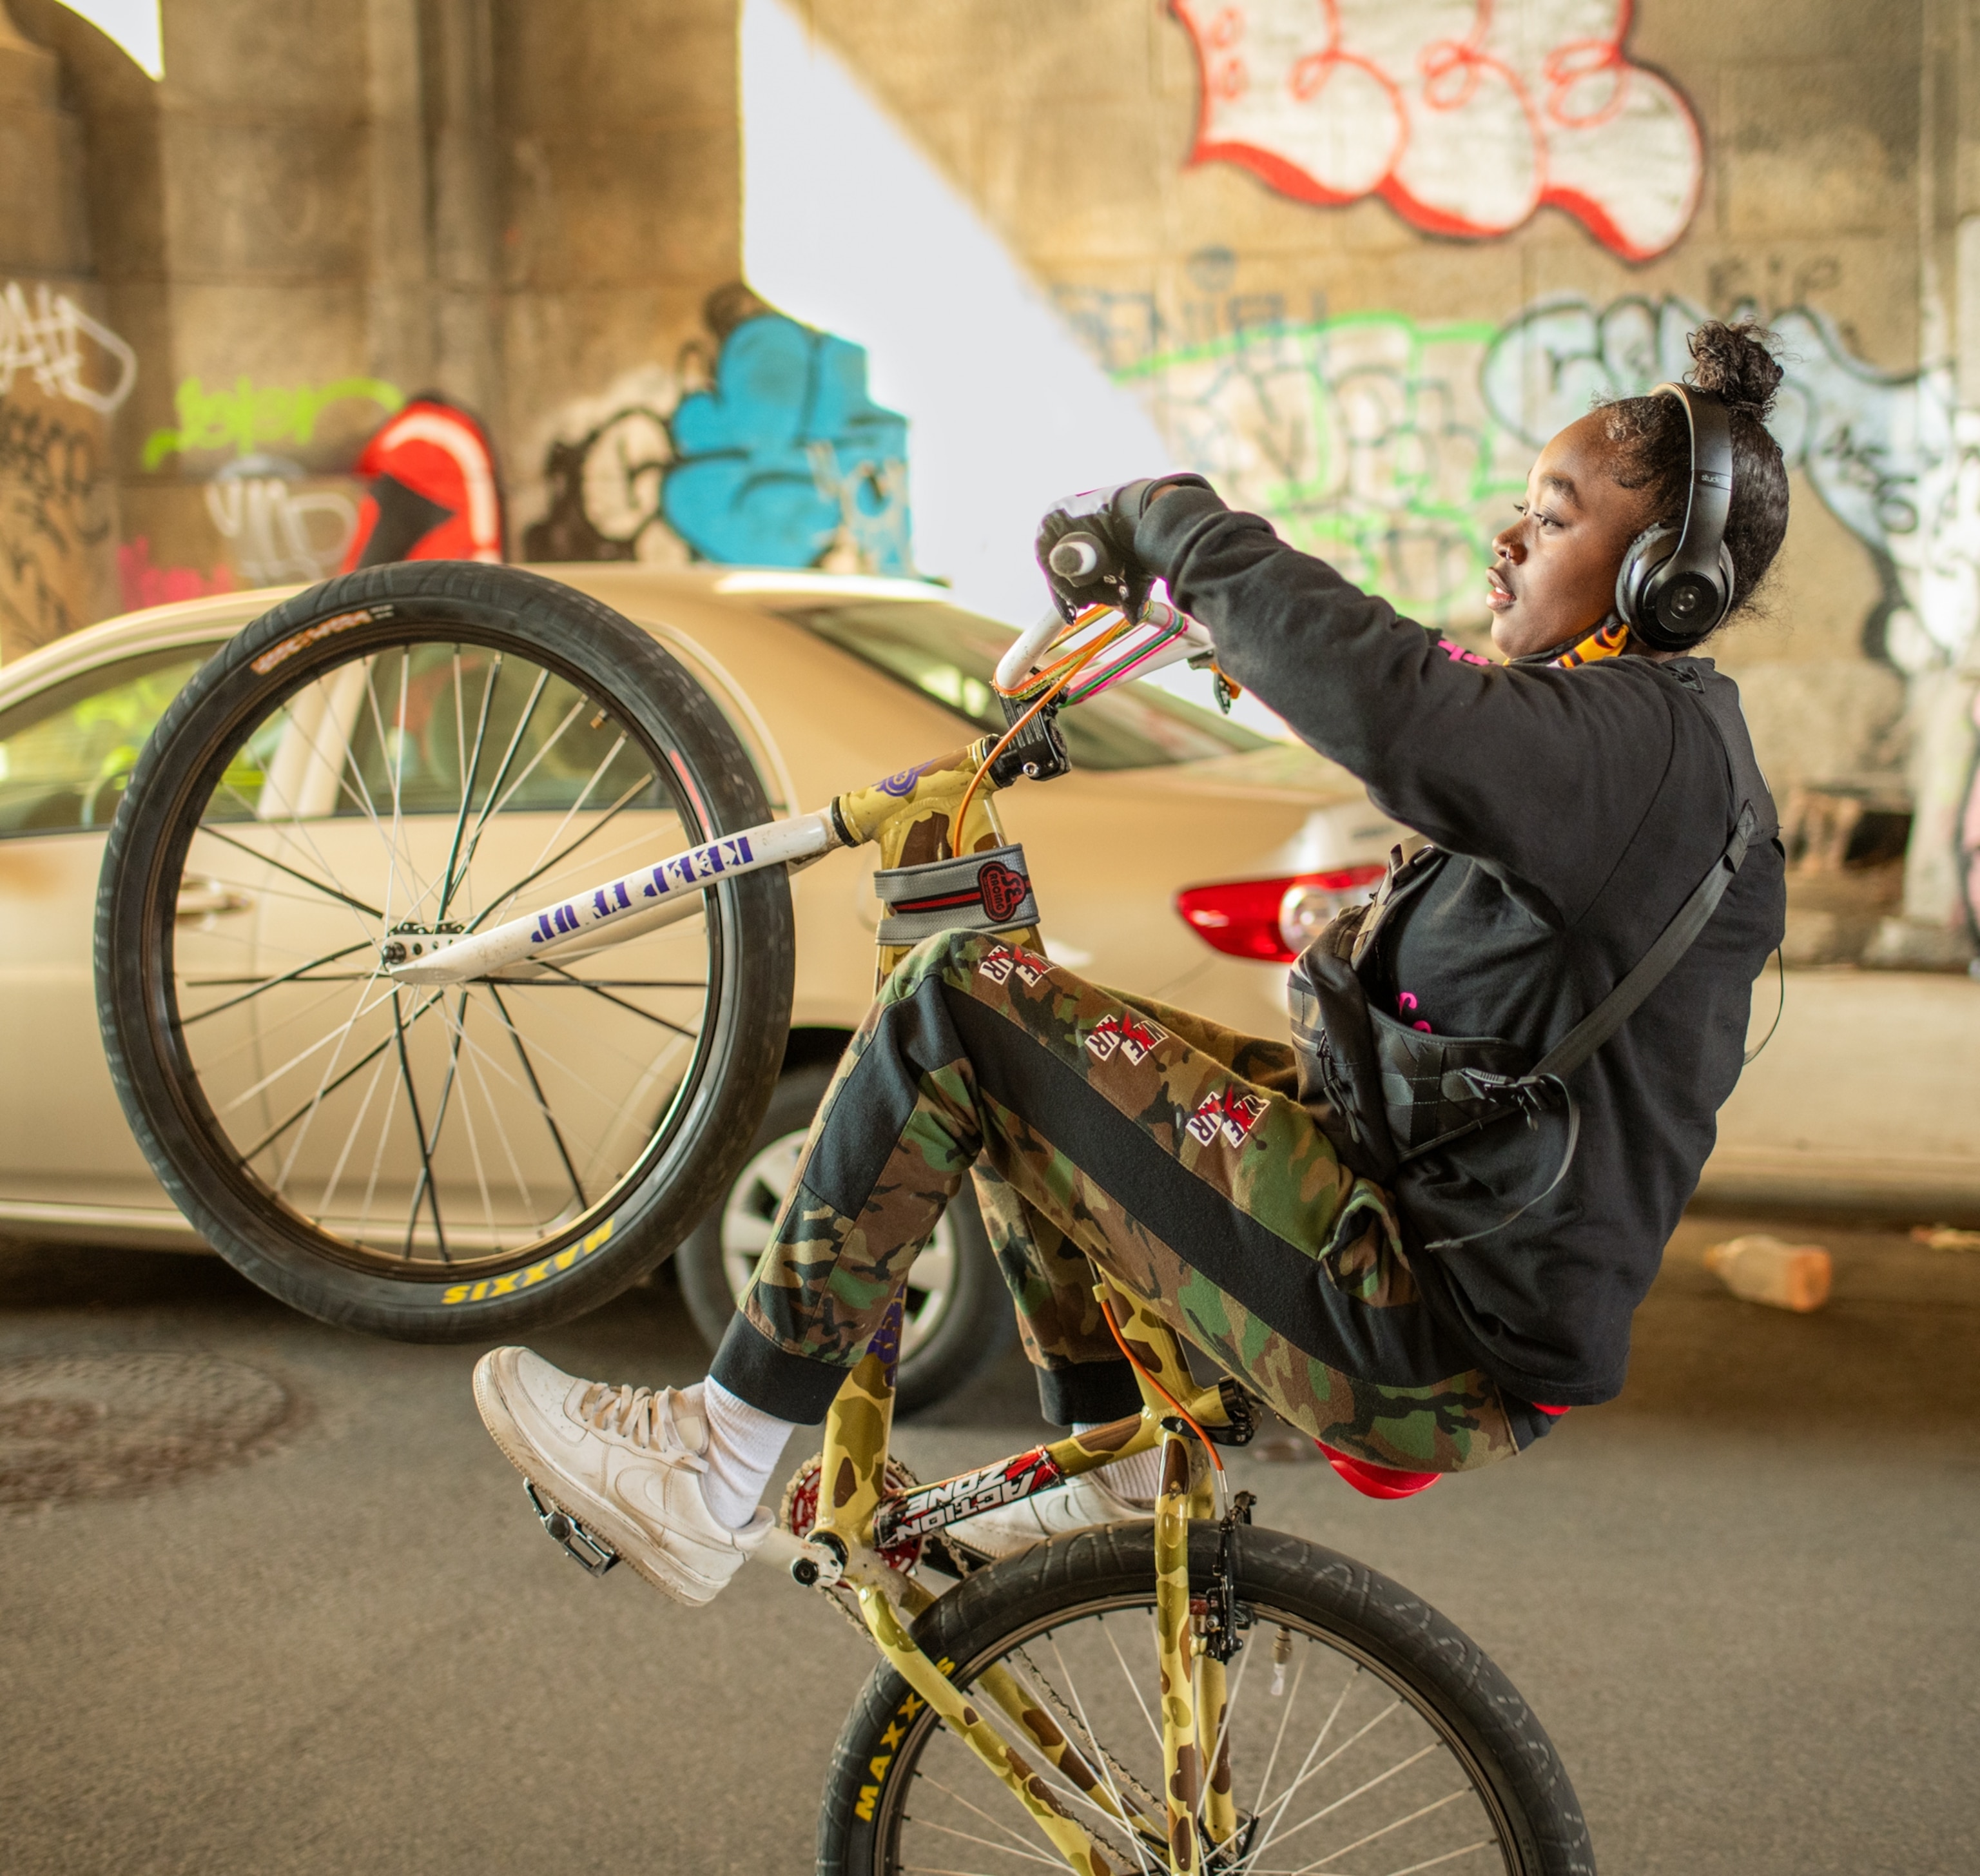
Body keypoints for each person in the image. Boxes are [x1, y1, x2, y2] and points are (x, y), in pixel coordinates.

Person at [471, 320, 1791, 1606]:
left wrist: (1175, 527)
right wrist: (1212, 634)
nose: (1509, 540)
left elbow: (1404, 705)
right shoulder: (1635, 747)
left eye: (1553, 517)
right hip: (1421, 1242)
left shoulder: (1639, 755)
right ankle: (1110, 1450)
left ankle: (715, 1461)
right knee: (1021, 1017)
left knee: (956, 1000)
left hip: (1422, 1323)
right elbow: (1415, 697)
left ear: (1664, 579)